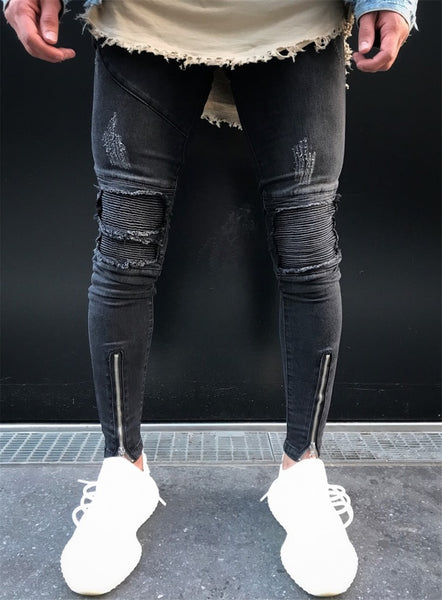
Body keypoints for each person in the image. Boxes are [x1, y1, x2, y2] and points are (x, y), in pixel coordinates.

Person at [3, 0, 417, 597]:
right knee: (124, 248)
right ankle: (123, 470)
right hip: (146, 18)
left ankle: (303, 472)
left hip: (293, 19)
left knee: (308, 249)